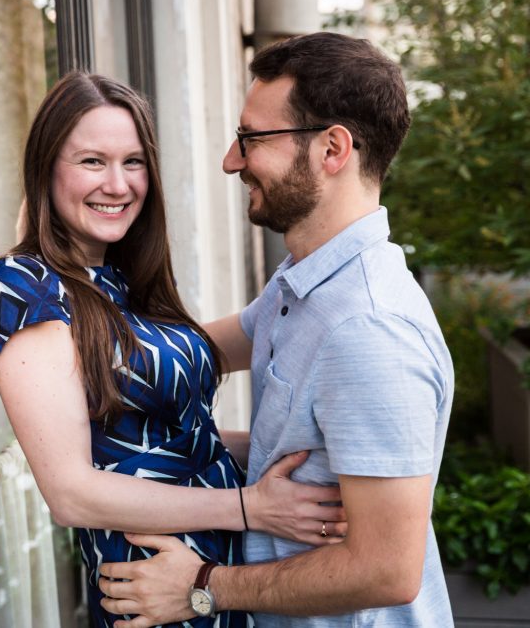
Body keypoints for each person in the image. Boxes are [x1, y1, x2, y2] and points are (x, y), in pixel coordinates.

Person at [97, 32, 455, 627]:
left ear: (332, 149)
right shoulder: (303, 285)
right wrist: (57, 318)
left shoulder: (369, 329)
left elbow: (387, 570)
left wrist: (203, 586)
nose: (231, 161)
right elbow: (193, 352)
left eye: (251, 138)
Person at [0, 72, 347, 628]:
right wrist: (251, 507)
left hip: (218, 578)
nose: (118, 184)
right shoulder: (25, 285)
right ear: (45, 168)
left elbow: (160, 438)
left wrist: (323, 450)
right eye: (91, 161)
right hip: (153, 591)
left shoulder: (122, 282)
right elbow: (72, 492)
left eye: (133, 162)